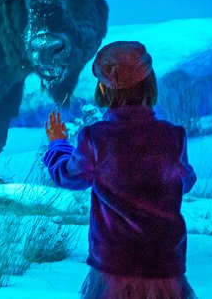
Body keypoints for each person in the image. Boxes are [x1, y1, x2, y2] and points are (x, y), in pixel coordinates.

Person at [43, 41, 197, 299]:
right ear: (150, 82)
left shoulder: (96, 138)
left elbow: (68, 175)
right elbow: (185, 180)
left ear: (104, 87)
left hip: (114, 265)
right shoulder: (173, 137)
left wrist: (58, 143)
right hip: (164, 265)